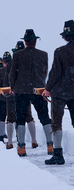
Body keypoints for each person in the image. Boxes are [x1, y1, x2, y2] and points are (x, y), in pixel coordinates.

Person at [10, 29, 53, 156]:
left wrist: (13, 87)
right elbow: (45, 72)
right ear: (35, 41)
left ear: (25, 42)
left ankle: (22, 147)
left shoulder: (17, 55)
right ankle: (50, 145)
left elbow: (13, 74)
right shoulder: (44, 54)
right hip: (39, 90)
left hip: (21, 90)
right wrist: (41, 84)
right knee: (44, 117)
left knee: (21, 118)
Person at [43, 20, 74, 165]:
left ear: (66, 36)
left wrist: (48, 89)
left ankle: (58, 155)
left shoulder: (60, 51)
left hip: (60, 92)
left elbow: (55, 73)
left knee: (56, 123)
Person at [12, 41, 38, 148]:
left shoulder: (16, 58)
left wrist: (13, 88)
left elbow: (12, 75)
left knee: (18, 118)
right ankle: (34, 141)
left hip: (19, 92)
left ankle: (21, 144)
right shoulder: (31, 57)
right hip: (31, 90)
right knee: (29, 117)